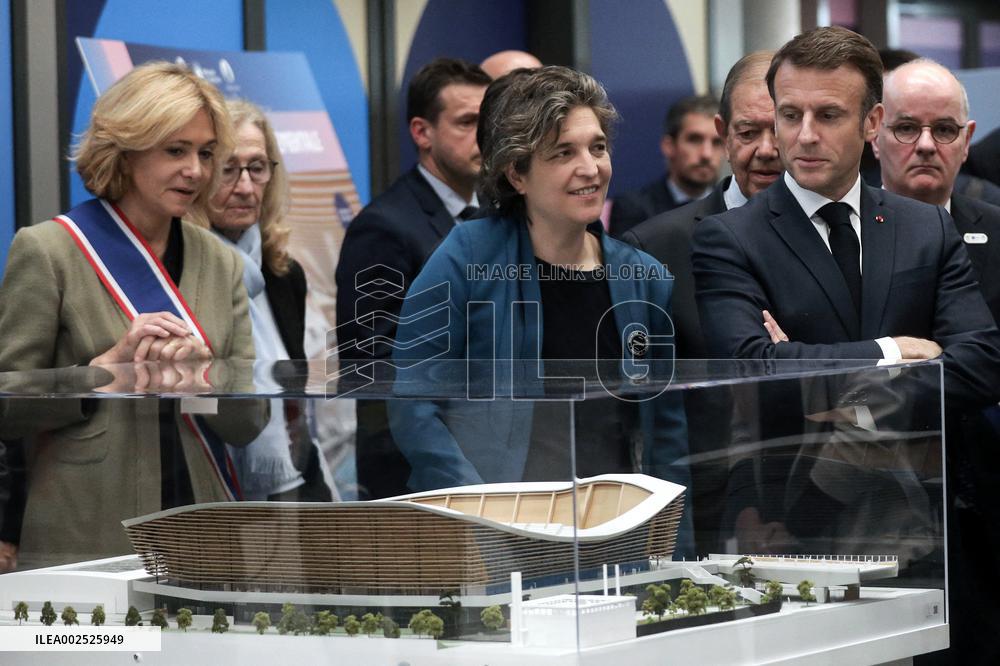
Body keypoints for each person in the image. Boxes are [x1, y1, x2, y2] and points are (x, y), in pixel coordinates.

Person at [388, 65, 692, 554]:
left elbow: (667, 437)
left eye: (597, 147)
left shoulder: (645, 278)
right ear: (517, 172)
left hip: (615, 537)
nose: (590, 168)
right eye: (563, 153)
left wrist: (671, 548)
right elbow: (413, 406)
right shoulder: (467, 256)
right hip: (494, 534)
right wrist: (479, 513)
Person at [0, 62, 264, 568]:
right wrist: (105, 372)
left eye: (207, 153)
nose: (197, 171)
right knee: (102, 645)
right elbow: (9, 408)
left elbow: (249, 421)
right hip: (86, 525)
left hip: (202, 522)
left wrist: (205, 378)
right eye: (176, 150)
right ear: (125, 148)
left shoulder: (224, 263)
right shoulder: (49, 250)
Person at [692, 27, 1000, 406]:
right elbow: (750, 366)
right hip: (789, 461)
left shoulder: (927, 227)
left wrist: (827, 381)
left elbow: (980, 362)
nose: (805, 135)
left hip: (917, 458)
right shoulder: (729, 237)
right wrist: (889, 351)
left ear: (871, 123)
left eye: (828, 115)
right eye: (790, 115)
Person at [622, 51, 778, 554]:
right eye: (749, 132)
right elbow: (635, 411)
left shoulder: (841, 236)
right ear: (723, 130)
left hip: (817, 510)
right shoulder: (655, 248)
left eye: (782, 129)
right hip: (696, 519)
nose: (768, 150)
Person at [872, 57, 1000, 666]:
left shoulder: (998, 235)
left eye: (944, 129)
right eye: (906, 128)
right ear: (874, 131)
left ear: (967, 141)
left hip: (986, 517)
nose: (926, 145)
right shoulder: (833, 239)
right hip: (867, 515)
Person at [335, 58, 491, 499]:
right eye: (467, 122)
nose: (484, 136)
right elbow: (373, 366)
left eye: (488, 122)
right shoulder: (384, 227)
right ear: (422, 132)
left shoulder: (498, 218)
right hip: (412, 476)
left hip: (494, 457)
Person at [199, 99, 332, 501]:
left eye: (257, 168)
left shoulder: (283, 273)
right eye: (227, 168)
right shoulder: (179, 272)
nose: (244, 187)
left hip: (294, 474)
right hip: (213, 485)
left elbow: (296, 401)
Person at [609, 95, 724, 238]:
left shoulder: (734, 208)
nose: (706, 154)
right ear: (669, 146)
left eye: (717, 143)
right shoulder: (634, 209)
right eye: (695, 140)